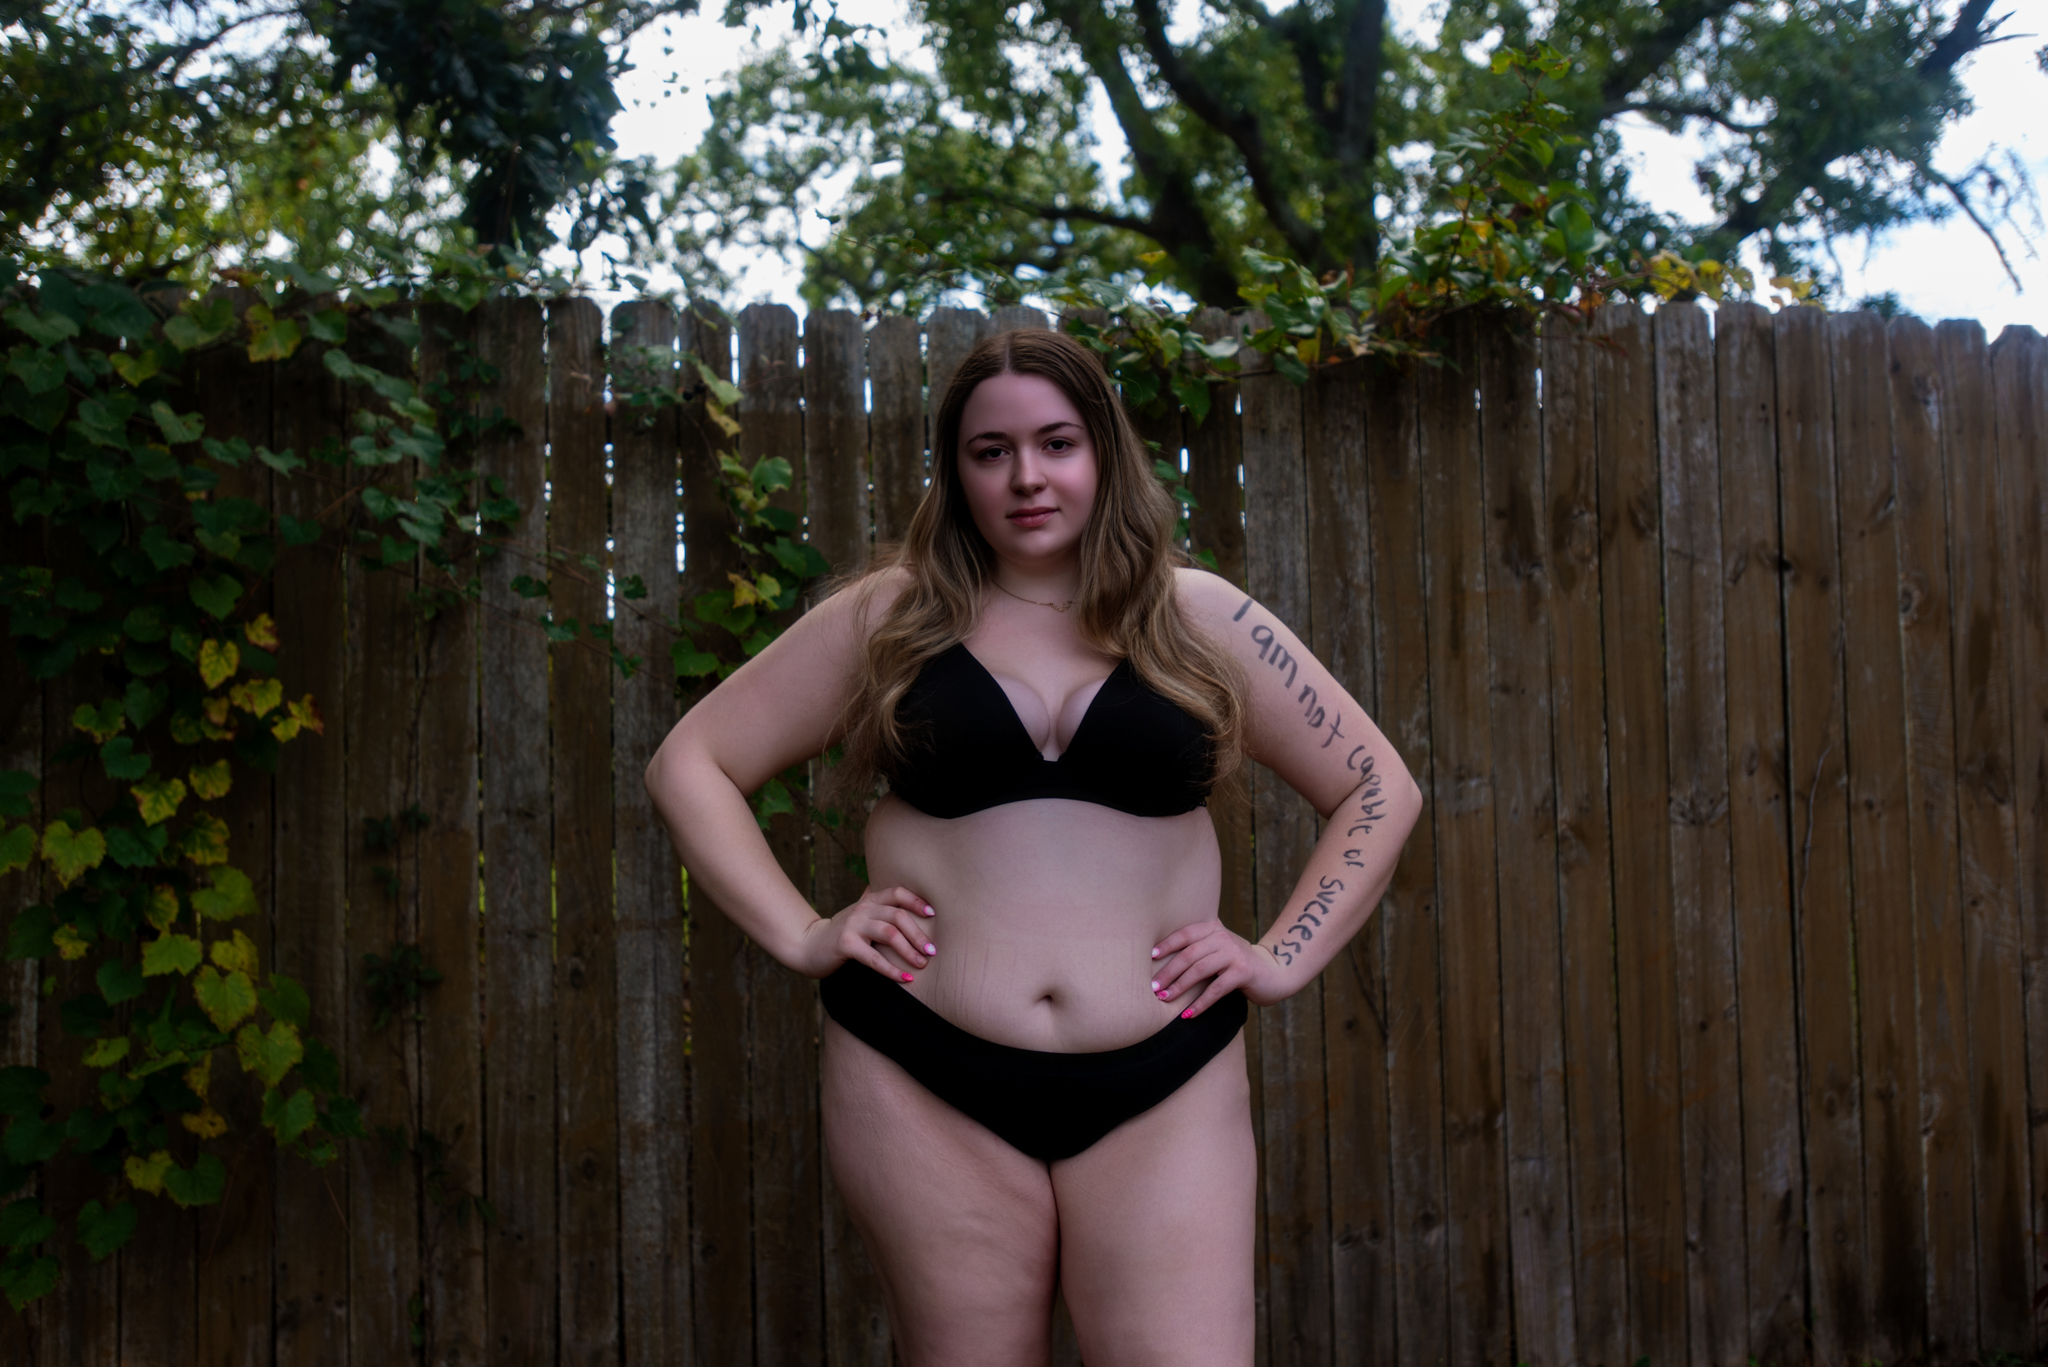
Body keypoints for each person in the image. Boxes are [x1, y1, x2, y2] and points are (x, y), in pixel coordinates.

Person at [643, 327, 1421, 1367]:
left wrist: (1281, 953)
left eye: (1056, 442)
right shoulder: (890, 620)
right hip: (921, 1074)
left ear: (1103, 450)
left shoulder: (1199, 618)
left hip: (1166, 1077)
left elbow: (1377, 787)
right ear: (954, 469)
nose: (1025, 477)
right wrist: (802, 931)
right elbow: (691, 763)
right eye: (990, 450)